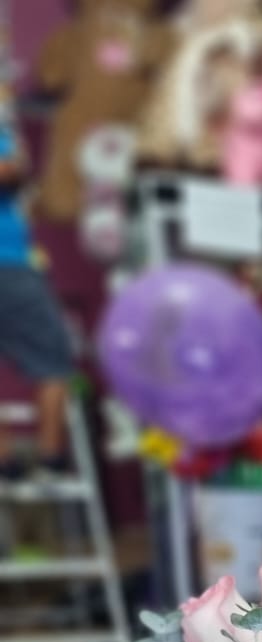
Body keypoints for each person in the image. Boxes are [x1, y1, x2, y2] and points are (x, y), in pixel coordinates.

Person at [0, 92, 76, 480]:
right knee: (52, 358)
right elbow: (10, 171)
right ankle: (42, 455)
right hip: (8, 265)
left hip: (12, 263)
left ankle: (43, 457)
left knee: (53, 358)